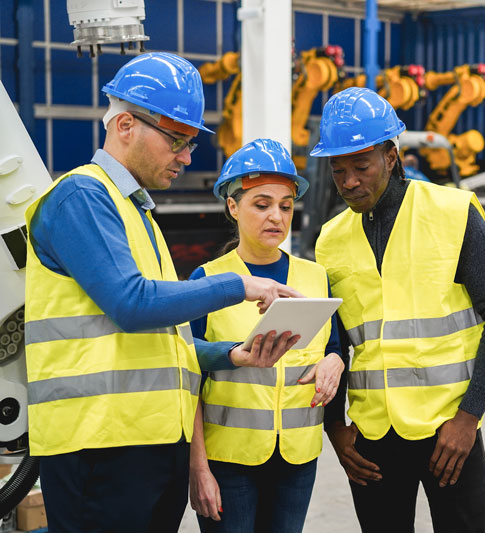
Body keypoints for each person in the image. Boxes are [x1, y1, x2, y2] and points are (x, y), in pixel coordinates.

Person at [24, 53, 302, 533]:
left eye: (191, 143)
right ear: (126, 125)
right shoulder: (82, 197)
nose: (188, 157)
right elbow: (132, 305)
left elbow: (165, 344)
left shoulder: (137, 213)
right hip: (100, 446)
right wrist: (239, 284)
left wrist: (232, 355)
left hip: (145, 445)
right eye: (177, 141)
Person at [311, 86, 485, 532]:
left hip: (450, 432)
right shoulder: (330, 240)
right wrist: (335, 427)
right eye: (338, 169)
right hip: (371, 436)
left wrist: (469, 419)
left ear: (391, 157)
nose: (349, 181)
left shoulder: (451, 213)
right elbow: (331, 341)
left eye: (361, 166)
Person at [188, 138, 345, 532]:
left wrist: (334, 361)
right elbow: (184, 371)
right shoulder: (207, 281)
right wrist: (198, 468)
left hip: (297, 458)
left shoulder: (316, 277)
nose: (276, 215)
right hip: (229, 461)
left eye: (285, 206)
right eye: (262, 204)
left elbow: (335, 347)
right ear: (233, 206)